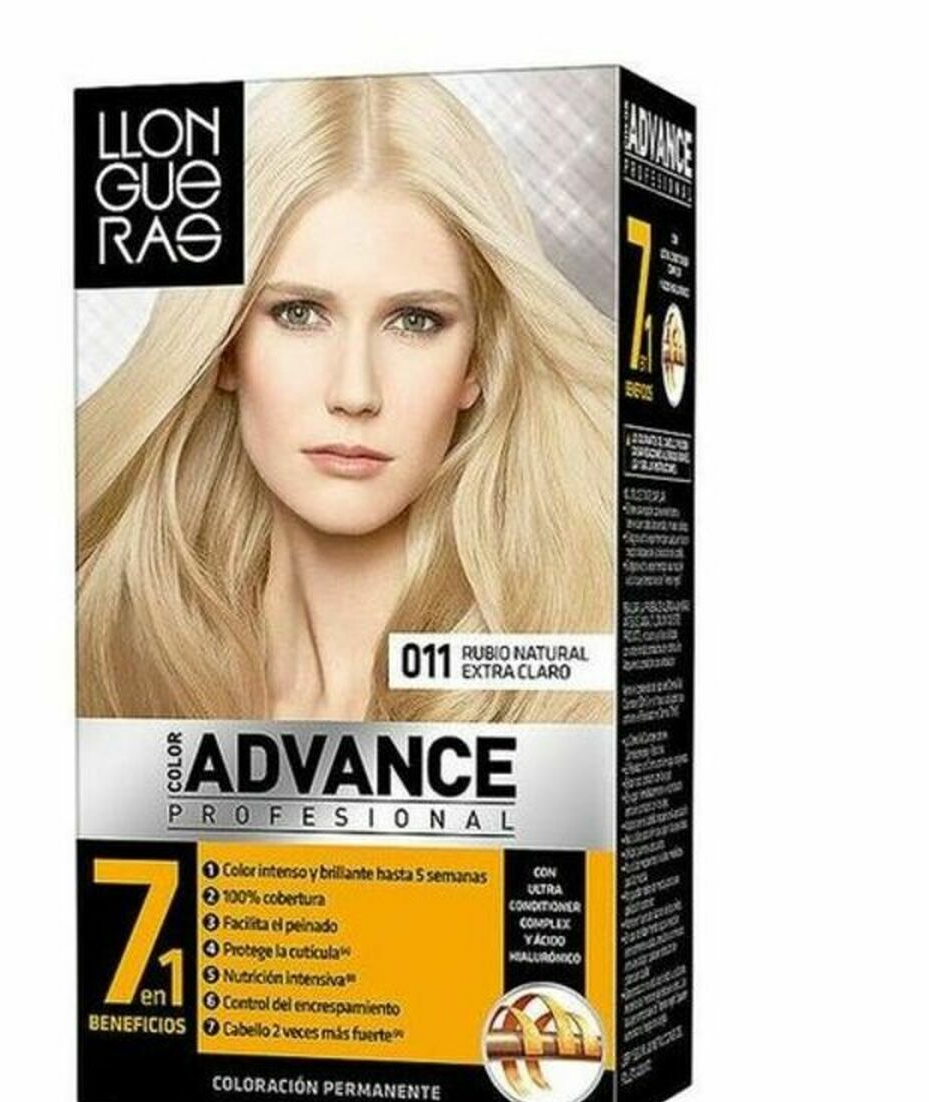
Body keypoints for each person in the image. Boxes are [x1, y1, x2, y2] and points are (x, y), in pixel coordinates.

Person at [77, 75, 614, 723]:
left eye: (415, 321)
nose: (355, 393)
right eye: (299, 313)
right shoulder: (109, 681)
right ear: (225, 345)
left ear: (477, 360)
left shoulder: (572, 707)